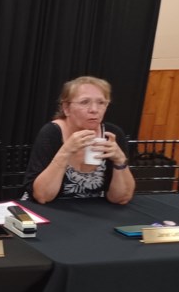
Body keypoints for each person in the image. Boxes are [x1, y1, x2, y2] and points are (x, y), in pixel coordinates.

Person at [25, 76, 135, 204]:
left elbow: (121, 198)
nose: (94, 110)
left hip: (95, 211)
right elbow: (42, 196)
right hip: (52, 209)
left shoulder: (112, 134)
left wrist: (120, 161)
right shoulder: (52, 133)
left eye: (101, 103)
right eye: (84, 102)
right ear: (66, 108)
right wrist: (65, 151)